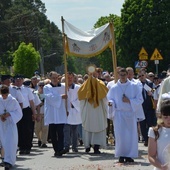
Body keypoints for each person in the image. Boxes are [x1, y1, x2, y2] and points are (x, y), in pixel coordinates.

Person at [107, 68, 143, 163]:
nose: (122, 77)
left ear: (127, 75)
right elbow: (109, 100)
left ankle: (129, 155)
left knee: (130, 135)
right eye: (121, 75)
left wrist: (130, 101)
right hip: (119, 114)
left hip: (130, 114)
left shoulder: (134, 86)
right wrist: (111, 103)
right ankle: (121, 154)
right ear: (118, 75)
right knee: (120, 135)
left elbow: (140, 99)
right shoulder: (114, 88)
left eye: (124, 75)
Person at [78, 69, 108, 154]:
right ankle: (87, 145)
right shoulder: (85, 84)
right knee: (88, 126)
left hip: (98, 107)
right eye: (93, 74)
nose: (95, 75)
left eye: (96, 73)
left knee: (98, 126)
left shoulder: (101, 84)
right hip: (89, 107)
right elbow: (81, 97)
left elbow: (105, 97)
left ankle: (96, 146)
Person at [44, 71, 67, 157]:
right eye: (53, 78)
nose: (55, 79)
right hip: (52, 113)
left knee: (61, 132)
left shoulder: (63, 86)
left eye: (56, 77)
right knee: (53, 133)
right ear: (50, 78)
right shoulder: (47, 87)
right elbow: (49, 97)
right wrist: (61, 97)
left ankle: (60, 148)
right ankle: (56, 149)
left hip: (61, 111)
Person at [0, 85, 22, 168]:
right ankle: (5, 159)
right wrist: (1, 116)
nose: (4, 97)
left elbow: (19, 113)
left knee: (11, 142)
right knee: (4, 142)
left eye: (5, 95)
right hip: (1, 124)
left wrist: (9, 114)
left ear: (8, 93)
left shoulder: (13, 100)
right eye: (2, 95)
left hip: (10, 123)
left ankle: (10, 161)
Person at [13, 75, 36, 155]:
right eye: (17, 80)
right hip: (16, 111)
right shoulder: (12, 90)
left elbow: (31, 102)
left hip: (26, 111)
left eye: (20, 80)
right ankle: (21, 147)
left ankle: (27, 147)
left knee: (28, 129)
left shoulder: (27, 90)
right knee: (19, 129)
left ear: (22, 81)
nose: (18, 82)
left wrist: (34, 113)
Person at [62, 72, 81, 154]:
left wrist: (74, 104)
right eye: (67, 77)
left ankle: (75, 146)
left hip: (74, 110)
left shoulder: (78, 87)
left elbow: (80, 98)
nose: (69, 79)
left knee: (74, 130)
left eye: (71, 77)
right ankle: (66, 146)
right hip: (65, 111)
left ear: (73, 78)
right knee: (66, 129)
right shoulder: (62, 87)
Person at [148, 99, 170, 170]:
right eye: (166, 117)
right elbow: (151, 156)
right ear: (161, 116)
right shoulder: (155, 131)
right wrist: (161, 166)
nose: (169, 120)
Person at [138, 69, 157, 146]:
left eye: (142, 75)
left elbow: (154, 92)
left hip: (149, 106)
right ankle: (145, 139)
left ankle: (150, 139)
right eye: (139, 76)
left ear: (145, 75)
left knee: (150, 123)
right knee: (142, 124)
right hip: (141, 107)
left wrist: (151, 93)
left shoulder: (150, 83)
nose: (141, 77)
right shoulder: (137, 84)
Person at [34, 81, 49, 148]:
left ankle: (44, 142)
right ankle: (39, 139)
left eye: (43, 85)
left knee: (45, 128)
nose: (42, 87)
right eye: (40, 85)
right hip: (38, 113)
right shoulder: (35, 94)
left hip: (45, 113)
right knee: (37, 128)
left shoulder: (47, 94)